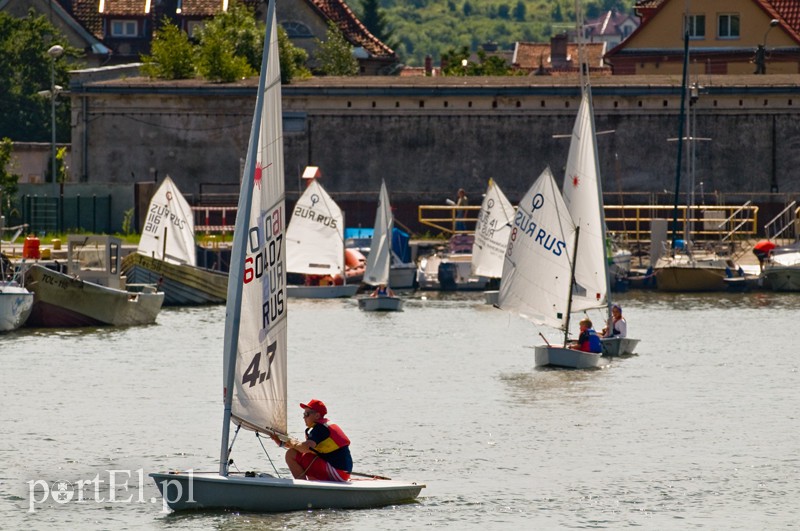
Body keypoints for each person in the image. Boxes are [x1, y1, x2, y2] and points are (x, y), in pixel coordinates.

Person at [271, 399, 352, 482]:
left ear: (317, 416)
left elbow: (306, 448)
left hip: (337, 472)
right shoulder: (323, 427)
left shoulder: (320, 428)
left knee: (291, 454)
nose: (304, 417)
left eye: (306, 414)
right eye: (303, 414)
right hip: (341, 472)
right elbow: (305, 449)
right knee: (307, 456)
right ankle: (311, 486)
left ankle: (302, 488)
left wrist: (293, 443)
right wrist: (282, 443)